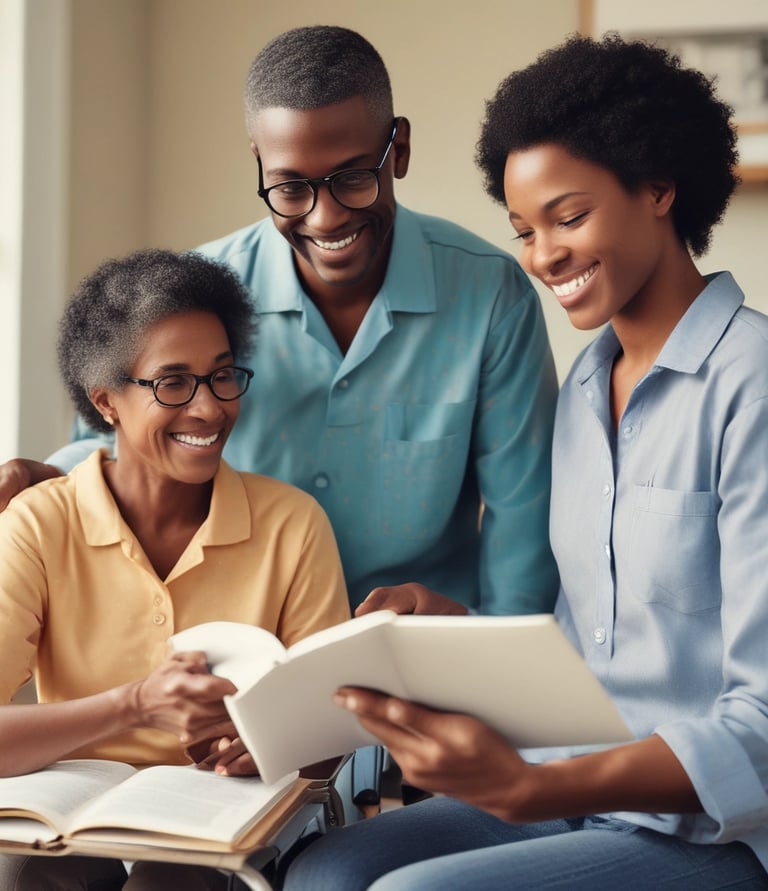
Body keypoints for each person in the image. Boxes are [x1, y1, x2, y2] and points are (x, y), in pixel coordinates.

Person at [280, 33, 768, 890]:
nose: (543, 257)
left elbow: (762, 723)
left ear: (659, 187)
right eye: (524, 231)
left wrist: (534, 784)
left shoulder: (752, 385)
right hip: (573, 782)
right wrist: (451, 632)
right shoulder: (585, 386)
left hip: (716, 830)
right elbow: (588, 655)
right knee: (326, 871)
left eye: (569, 217)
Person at [0, 25, 560, 617]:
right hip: (238, 644)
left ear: (397, 149)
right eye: (290, 188)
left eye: (352, 178)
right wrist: (47, 476)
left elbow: (523, 527)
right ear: (260, 164)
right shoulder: (195, 293)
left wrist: (499, 671)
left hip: (419, 654)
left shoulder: (490, 293)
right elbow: (115, 446)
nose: (325, 218)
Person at [0, 248, 350, 890]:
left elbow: (329, 727)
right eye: (172, 383)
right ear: (105, 400)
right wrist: (134, 706)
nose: (209, 408)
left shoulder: (293, 525)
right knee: (38, 881)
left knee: (174, 883)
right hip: (75, 826)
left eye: (222, 375)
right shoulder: (38, 523)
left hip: (230, 825)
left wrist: (279, 744)